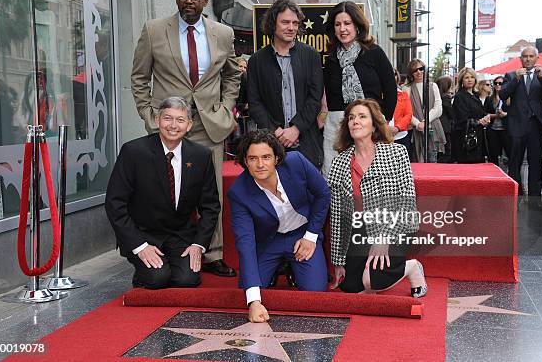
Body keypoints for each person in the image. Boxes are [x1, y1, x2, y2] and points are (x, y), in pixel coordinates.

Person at [131, 0, 240, 277]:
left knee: (211, 191)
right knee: (165, 189)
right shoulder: (154, 30)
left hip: (209, 123)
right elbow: (139, 77)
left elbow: (232, 75)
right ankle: (165, 247)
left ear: (205, 1)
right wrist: (148, 114)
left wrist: (226, 110)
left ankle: (212, 253)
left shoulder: (223, 33)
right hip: (167, 125)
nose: (189, 2)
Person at [105, 97, 220, 289]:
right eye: (168, 118)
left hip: (181, 236)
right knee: (157, 278)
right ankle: (144, 270)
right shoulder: (133, 152)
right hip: (143, 234)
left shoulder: (201, 156)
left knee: (187, 280)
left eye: (180, 120)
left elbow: (210, 206)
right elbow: (114, 203)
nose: (173, 125)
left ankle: (170, 265)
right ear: (157, 120)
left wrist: (198, 245)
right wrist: (140, 246)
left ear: (189, 125)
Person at [228, 130, 330, 323]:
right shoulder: (238, 193)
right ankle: (279, 266)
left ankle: (291, 267)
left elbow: (323, 193)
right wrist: (254, 302)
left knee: (315, 291)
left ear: (276, 157)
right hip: (269, 241)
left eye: (266, 157)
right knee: (252, 287)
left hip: (302, 233)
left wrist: (311, 237)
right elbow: (245, 241)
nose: (260, 164)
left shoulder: (296, 162)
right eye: (253, 158)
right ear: (245, 161)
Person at [327, 99, 427, 297]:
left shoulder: (396, 153)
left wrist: (384, 236)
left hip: (395, 226)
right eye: (351, 118)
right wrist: (338, 262)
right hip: (359, 231)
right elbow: (338, 218)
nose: (355, 121)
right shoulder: (339, 163)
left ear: (374, 125)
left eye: (362, 116)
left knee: (370, 280)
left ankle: (412, 268)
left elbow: (407, 202)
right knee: (351, 287)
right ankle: (370, 275)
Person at [322, 1, 397, 176]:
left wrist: (382, 120)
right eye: (338, 24)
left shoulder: (374, 52)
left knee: (373, 175)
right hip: (337, 126)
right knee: (335, 175)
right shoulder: (331, 59)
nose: (342, 29)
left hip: (371, 125)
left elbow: (391, 89)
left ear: (357, 25)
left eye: (347, 23)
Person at [247, 0, 324, 169]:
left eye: (295, 23)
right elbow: (254, 102)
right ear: (273, 23)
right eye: (285, 22)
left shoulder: (311, 56)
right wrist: (276, 132)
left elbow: (315, 98)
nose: (291, 27)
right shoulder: (256, 61)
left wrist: (296, 129)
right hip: (270, 143)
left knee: (307, 193)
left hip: (307, 142)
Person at [500, 46, 542, 207]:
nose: (528, 59)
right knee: (514, 162)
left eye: (531, 56)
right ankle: (515, 196)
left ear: (537, 59)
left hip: (536, 125)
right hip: (517, 124)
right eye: (525, 56)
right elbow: (502, 95)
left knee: (536, 162)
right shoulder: (510, 75)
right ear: (520, 59)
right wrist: (515, 79)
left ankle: (535, 199)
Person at [402, 59, 445, 163]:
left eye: (421, 69)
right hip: (414, 131)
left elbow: (438, 108)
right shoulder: (406, 88)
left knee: (432, 161)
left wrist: (425, 122)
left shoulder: (433, 86)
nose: (418, 72)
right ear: (411, 73)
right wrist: (417, 124)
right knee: (416, 163)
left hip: (432, 128)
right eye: (415, 70)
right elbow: (406, 110)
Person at [451, 67, 491, 163]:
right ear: (462, 80)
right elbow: (461, 119)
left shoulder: (475, 95)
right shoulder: (460, 96)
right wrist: (479, 121)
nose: (469, 80)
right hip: (466, 138)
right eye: (466, 77)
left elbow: (480, 112)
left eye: (472, 77)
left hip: (478, 136)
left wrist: (486, 117)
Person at [484, 75, 511, 168]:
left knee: (509, 153)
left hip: (506, 129)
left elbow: (515, 113)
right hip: (493, 129)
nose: (498, 85)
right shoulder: (489, 98)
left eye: (500, 83)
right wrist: (495, 115)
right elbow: (484, 113)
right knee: (493, 154)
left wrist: (505, 114)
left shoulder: (509, 98)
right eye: (496, 83)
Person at [390, 68, 413, 156]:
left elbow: (408, 114)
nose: (392, 76)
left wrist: (397, 128)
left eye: (395, 74)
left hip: (401, 136)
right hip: (382, 136)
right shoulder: (378, 95)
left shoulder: (403, 94)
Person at [436, 76, 455, 163]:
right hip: (445, 126)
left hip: (437, 125)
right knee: (447, 150)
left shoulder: (437, 97)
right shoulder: (445, 98)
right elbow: (451, 113)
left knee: (439, 150)